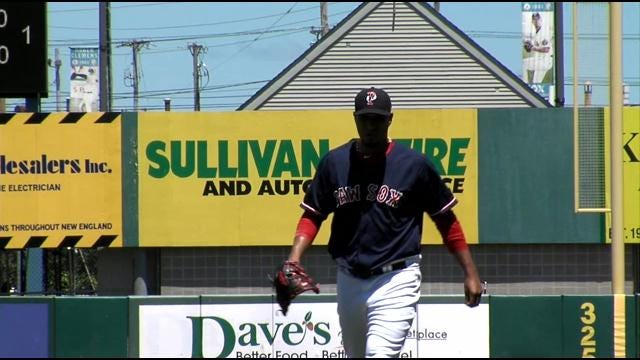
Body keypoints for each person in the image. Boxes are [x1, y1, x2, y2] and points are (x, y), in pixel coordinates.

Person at [284, 87, 483, 357]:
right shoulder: (335, 163)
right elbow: (313, 214)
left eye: (377, 119)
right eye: (365, 119)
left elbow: (446, 221)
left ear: (390, 120)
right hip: (349, 278)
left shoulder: (414, 165)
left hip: (396, 278)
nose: (370, 126)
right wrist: (294, 259)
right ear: (355, 119)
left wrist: (470, 273)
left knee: (379, 353)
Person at [522, 12, 553, 84]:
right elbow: (530, 48)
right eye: (534, 19)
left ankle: (524, 85)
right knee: (536, 83)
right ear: (532, 21)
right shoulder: (536, 32)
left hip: (545, 60)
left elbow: (546, 49)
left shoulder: (544, 32)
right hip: (540, 60)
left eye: (538, 19)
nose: (536, 21)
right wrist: (527, 45)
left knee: (524, 64)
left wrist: (532, 48)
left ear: (541, 20)